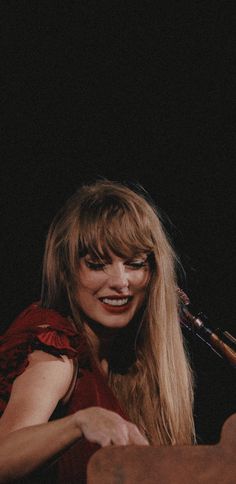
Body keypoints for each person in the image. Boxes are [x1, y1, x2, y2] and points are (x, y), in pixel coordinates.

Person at [0, 180, 195, 483]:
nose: (121, 282)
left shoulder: (127, 360)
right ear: (66, 271)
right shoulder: (55, 354)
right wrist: (81, 422)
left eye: (135, 263)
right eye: (97, 264)